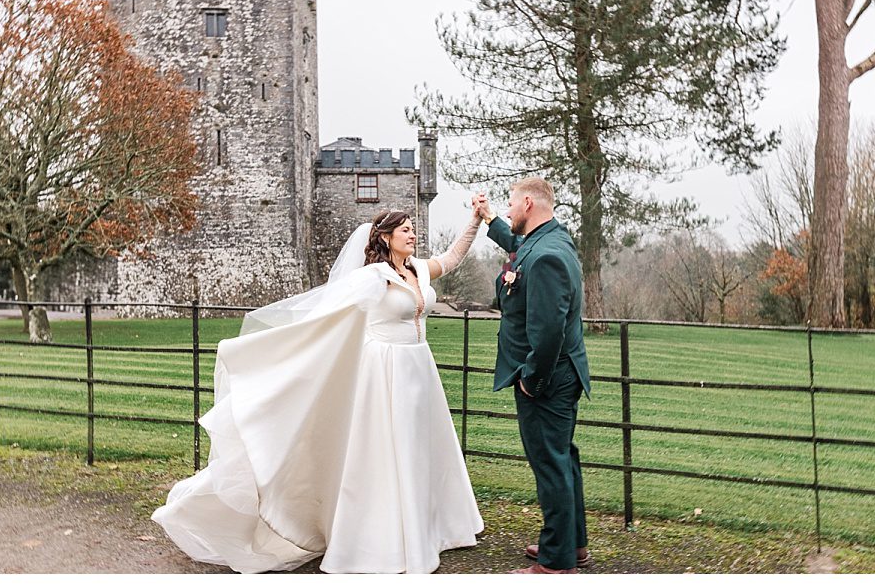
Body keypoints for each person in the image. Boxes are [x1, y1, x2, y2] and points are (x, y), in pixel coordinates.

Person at [151, 209, 485, 574]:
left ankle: (425, 528)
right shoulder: (373, 277)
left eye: (412, 230)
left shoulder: (418, 269)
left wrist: (475, 220)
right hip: (384, 372)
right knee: (384, 453)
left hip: (419, 369)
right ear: (386, 237)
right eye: (405, 230)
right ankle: (379, 538)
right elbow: (326, 311)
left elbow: (451, 258)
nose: (412, 235)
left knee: (419, 449)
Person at [473, 178, 592, 574]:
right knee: (562, 458)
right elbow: (517, 245)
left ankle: (555, 562)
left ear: (527, 202)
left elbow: (548, 332)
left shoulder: (546, 257)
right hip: (563, 374)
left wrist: (531, 381)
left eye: (509, 204)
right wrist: (489, 218)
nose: (508, 211)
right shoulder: (550, 240)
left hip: (548, 379)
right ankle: (571, 544)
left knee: (550, 463)